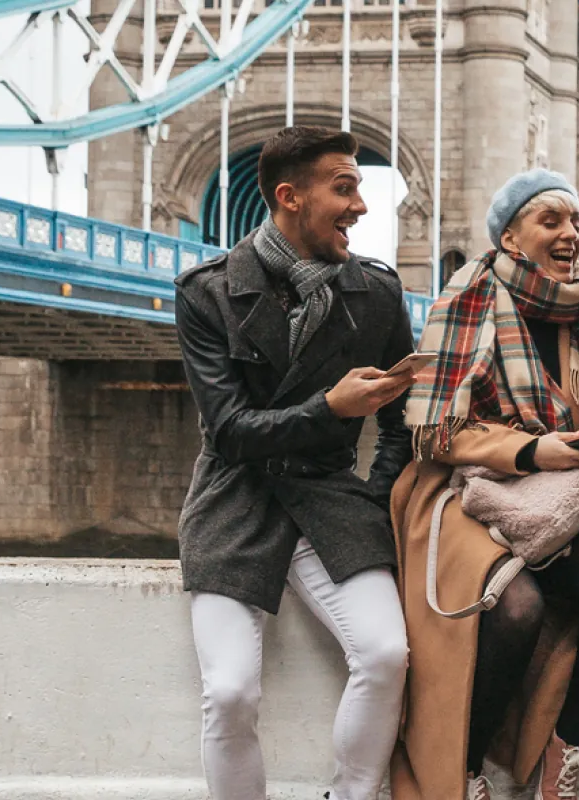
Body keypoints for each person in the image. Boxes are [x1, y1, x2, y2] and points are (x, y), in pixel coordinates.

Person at [391, 170, 579, 800]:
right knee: (517, 608)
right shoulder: (465, 301)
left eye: (577, 223)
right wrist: (533, 448)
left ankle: (561, 749)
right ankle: (468, 768)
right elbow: (432, 432)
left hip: (563, 494)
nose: (571, 236)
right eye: (552, 221)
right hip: (466, 490)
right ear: (510, 238)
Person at [173, 125, 414, 800]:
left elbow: (400, 424)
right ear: (290, 198)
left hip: (331, 497)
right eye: (345, 189)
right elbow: (231, 432)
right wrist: (330, 410)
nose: (362, 206)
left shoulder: (378, 295)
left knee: (387, 654)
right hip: (235, 498)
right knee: (228, 692)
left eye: (359, 188)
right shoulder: (207, 293)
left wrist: (376, 496)